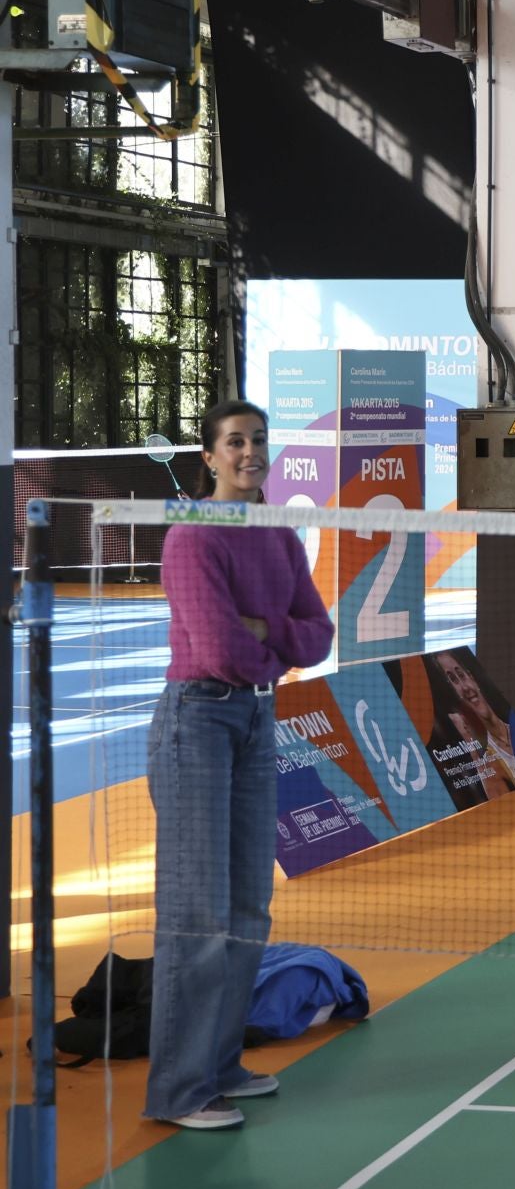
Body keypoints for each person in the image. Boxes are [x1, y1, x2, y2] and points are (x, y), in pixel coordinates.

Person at [147, 400, 334, 1131]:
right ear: (210, 457)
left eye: (258, 440)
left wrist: (273, 636)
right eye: (235, 443)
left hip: (260, 717)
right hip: (198, 719)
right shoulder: (193, 535)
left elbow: (317, 635)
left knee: (251, 905)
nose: (250, 452)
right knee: (197, 914)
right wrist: (275, 640)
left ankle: (219, 1065)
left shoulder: (278, 531)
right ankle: (178, 1089)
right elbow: (221, 647)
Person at [429, 647, 515, 790]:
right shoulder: (490, 764)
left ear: (472, 678)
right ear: (455, 693)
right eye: (454, 680)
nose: (465, 687)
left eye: (461, 675)